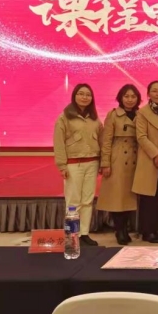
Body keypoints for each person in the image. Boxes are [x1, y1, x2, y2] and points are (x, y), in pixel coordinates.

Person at [53, 83, 102, 246]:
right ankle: (71, 235)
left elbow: (101, 140)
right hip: (74, 164)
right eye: (81, 94)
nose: (84, 97)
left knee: (87, 200)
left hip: (92, 163)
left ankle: (84, 234)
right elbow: (59, 143)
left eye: (88, 94)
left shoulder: (94, 118)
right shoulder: (64, 117)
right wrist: (62, 165)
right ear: (74, 96)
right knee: (73, 202)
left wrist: (103, 161)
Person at [96, 84, 141, 245]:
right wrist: (105, 163)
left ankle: (126, 229)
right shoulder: (113, 114)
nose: (130, 100)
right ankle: (119, 230)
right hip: (118, 159)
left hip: (136, 157)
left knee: (129, 197)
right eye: (126, 96)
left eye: (133, 96)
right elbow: (106, 140)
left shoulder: (141, 114)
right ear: (120, 98)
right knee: (117, 196)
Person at [132, 80, 158, 243]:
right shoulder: (142, 112)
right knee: (148, 198)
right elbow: (141, 137)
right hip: (150, 159)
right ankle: (147, 231)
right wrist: (156, 154)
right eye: (155, 91)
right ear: (148, 94)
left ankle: (157, 229)